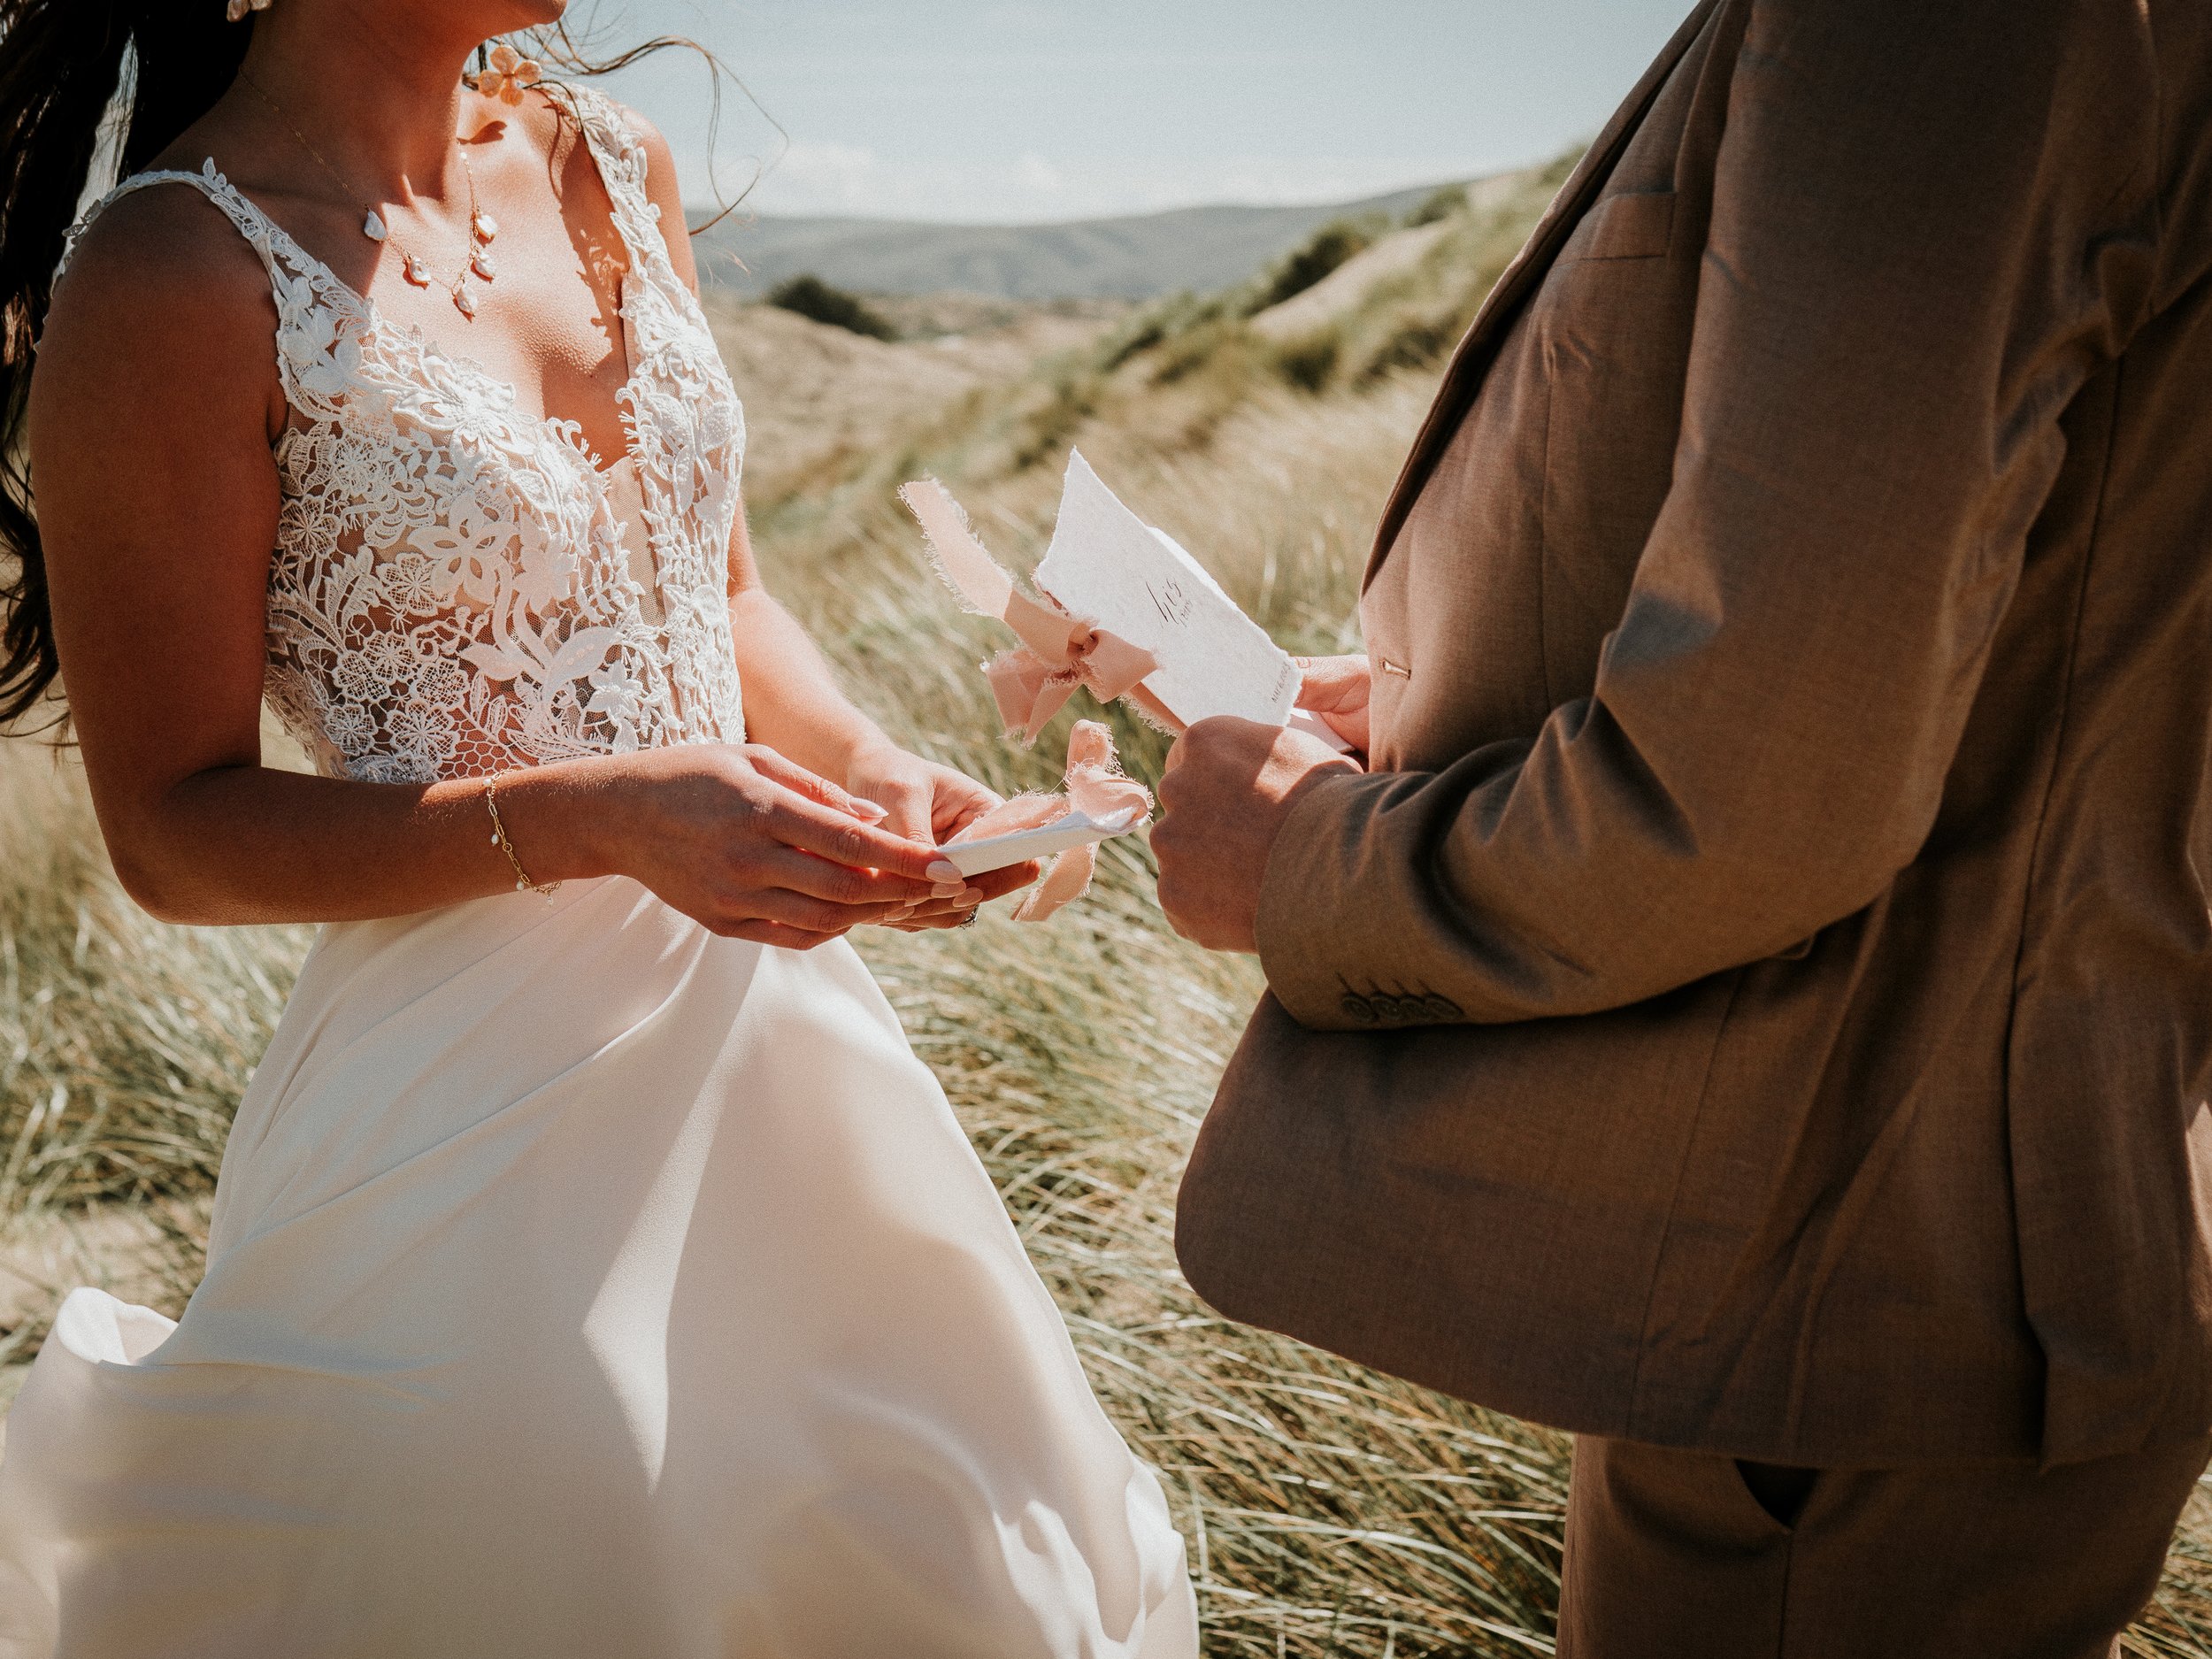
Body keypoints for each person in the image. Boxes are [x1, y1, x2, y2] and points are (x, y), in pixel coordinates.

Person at [0, 2, 1197, 1653]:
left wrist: (873, 763)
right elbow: (172, 829)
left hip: (791, 1059)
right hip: (465, 1119)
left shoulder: (606, 166)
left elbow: (718, 589)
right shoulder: (170, 276)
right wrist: (604, 818)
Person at [1150, 0, 2212, 1654]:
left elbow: (1753, 798)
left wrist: (1306, 867)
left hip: (1847, 1298)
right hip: (1939, 1251)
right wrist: (1451, 687)